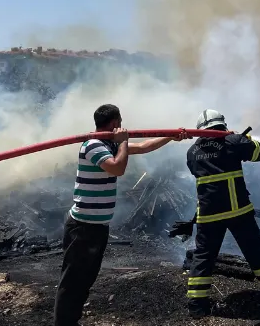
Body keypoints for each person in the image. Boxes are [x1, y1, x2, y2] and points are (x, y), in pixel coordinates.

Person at [53, 104, 189, 326]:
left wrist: (170, 137)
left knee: (85, 279)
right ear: (115, 123)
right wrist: (123, 141)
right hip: (82, 227)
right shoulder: (93, 145)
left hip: (97, 226)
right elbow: (117, 168)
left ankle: (71, 321)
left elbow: (143, 147)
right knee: (72, 281)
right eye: (121, 122)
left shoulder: (109, 144)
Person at [184, 109, 260, 318]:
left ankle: (197, 304)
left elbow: (196, 171)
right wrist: (245, 138)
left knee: (203, 256)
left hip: (208, 214)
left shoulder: (192, 151)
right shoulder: (233, 141)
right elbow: (258, 153)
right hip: (237, 210)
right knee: (255, 251)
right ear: (221, 125)